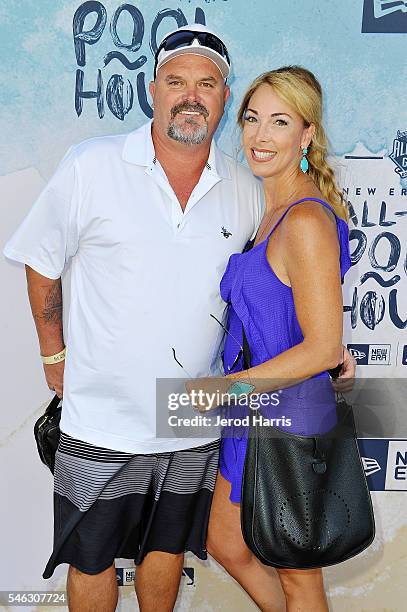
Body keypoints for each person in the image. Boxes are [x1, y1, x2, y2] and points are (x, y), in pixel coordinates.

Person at [3, 23, 354, 611]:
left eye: (209, 84)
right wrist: (52, 354)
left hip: (198, 417)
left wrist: (324, 356)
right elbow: (40, 263)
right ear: (152, 89)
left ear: (222, 97)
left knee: (169, 552)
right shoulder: (93, 164)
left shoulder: (247, 187)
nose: (191, 96)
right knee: (92, 557)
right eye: (176, 81)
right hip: (104, 418)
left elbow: (295, 297)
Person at [201, 66, 352, 612]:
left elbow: (322, 349)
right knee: (224, 540)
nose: (260, 137)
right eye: (252, 119)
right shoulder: (268, 210)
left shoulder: (305, 219)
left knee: (297, 576)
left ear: (306, 135)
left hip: (287, 419)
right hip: (252, 413)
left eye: (279, 122)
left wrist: (229, 389)